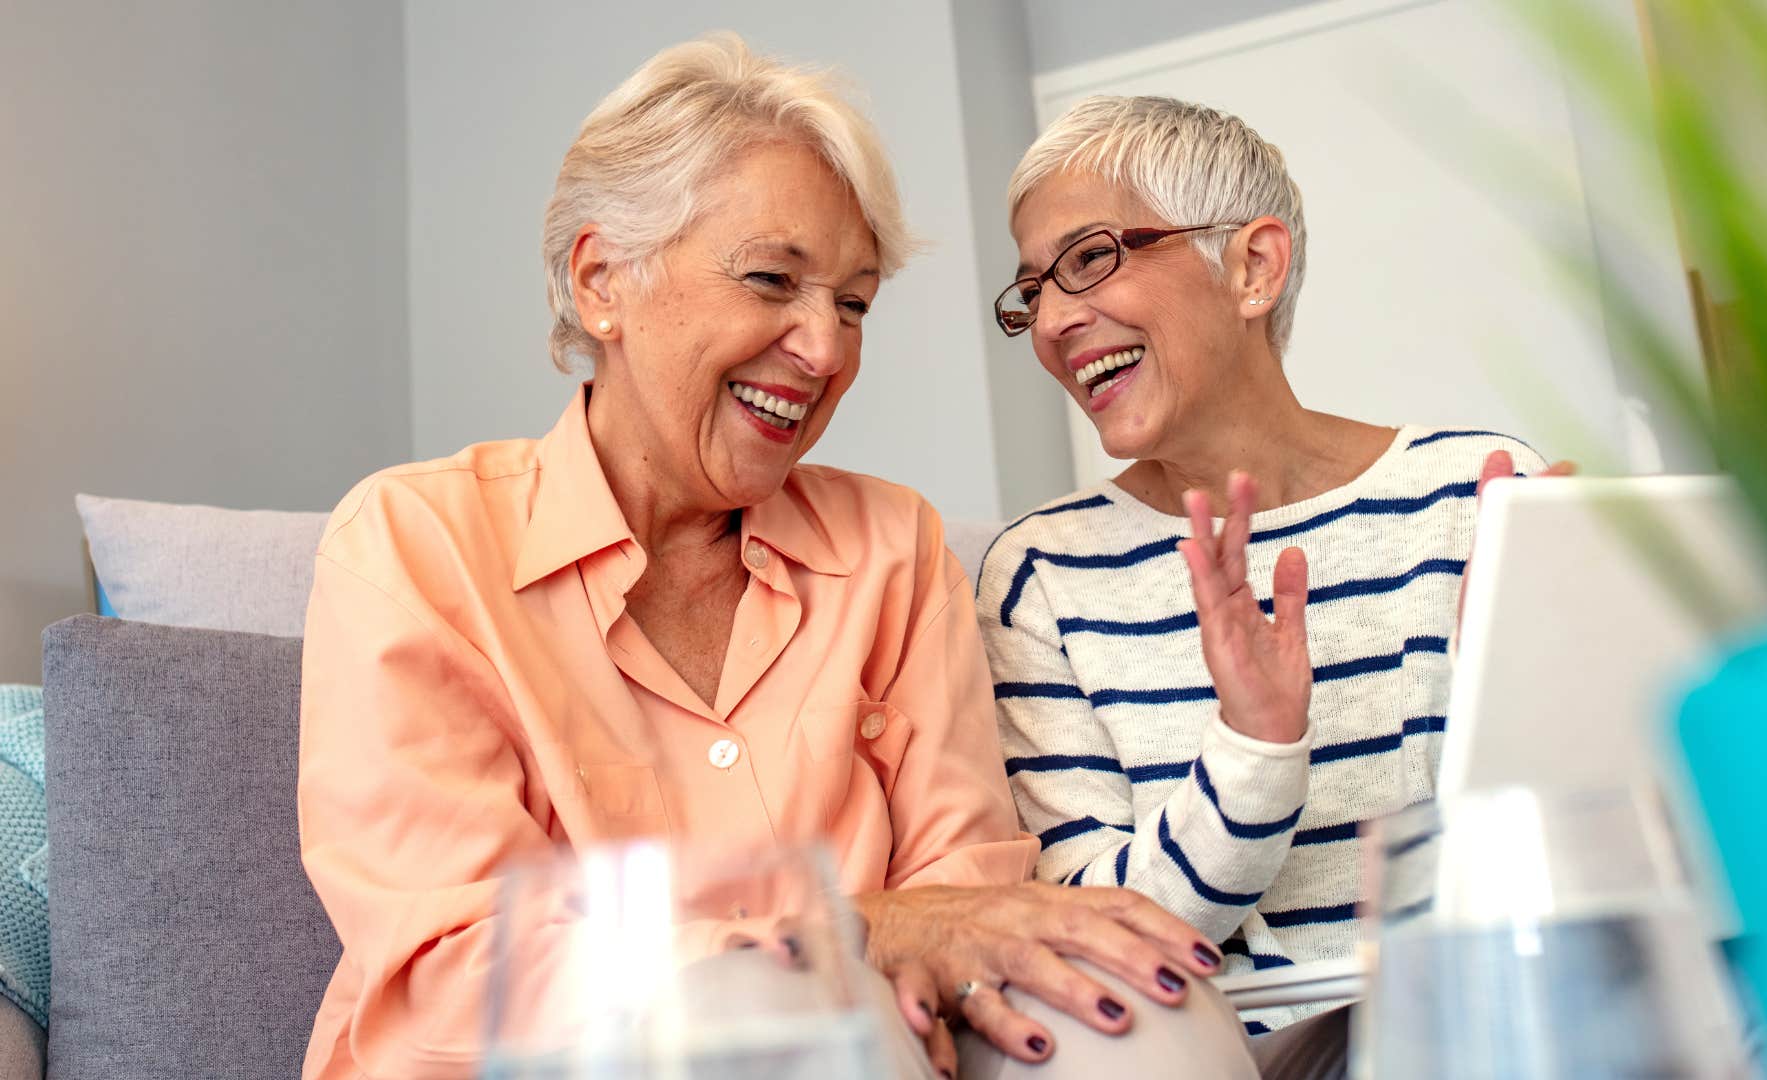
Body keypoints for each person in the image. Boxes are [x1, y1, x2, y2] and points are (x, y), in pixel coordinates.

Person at [296, 40, 1241, 1080]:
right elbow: (460, 971)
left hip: (883, 1050)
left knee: (1140, 1022)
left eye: (852, 303)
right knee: (793, 1026)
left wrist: (920, 953)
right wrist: (852, 935)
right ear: (602, 278)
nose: (827, 350)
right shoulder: (413, 546)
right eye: (771, 280)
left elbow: (970, 905)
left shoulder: (894, 549)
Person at [976, 95, 1570, 1075]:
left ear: (1252, 267)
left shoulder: (1472, 491)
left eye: (1089, 259)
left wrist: (1544, 700)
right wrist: (1255, 746)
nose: (1052, 320)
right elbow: (1102, 942)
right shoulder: (1043, 576)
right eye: (1032, 289)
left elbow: (1559, 855)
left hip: (1486, 1017)